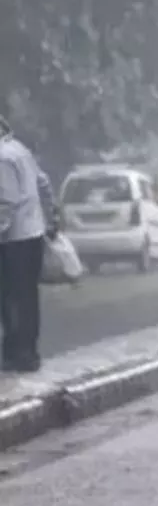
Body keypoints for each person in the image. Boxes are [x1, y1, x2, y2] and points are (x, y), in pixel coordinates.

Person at [0, 115, 50, 372]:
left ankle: (17, 353)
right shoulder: (20, 149)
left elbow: (6, 202)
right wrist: (51, 217)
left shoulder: (2, 157)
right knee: (28, 296)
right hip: (33, 233)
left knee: (11, 297)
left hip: (13, 239)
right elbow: (44, 183)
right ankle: (28, 352)